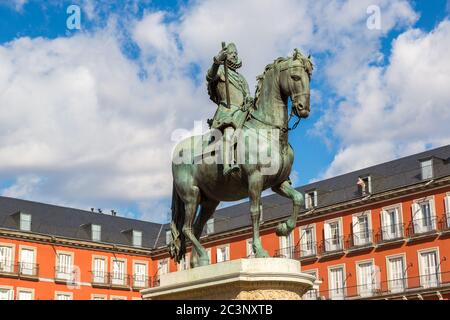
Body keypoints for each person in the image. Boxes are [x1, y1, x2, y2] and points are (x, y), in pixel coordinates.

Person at [206, 43, 253, 176]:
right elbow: (210, 76)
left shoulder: (241, 78)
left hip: (242, 112)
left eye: (236, 54)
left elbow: (247, 94)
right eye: (232, 53)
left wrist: (248, 99)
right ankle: (227, 165)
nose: (234, 55)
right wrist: (217, 61)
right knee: (229, 132)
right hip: (227, 111)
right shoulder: (220, 70)